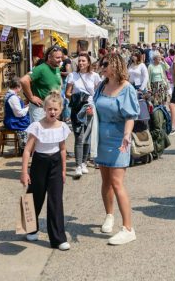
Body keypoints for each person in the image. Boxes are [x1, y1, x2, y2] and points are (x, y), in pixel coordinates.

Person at [93, 52, 139, 245]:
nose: (101, 66)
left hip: (118, 139)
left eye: (105, 64)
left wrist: (127, 135)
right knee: (105, 181)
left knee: (117, 182)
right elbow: (95, 107)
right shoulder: (102, 85)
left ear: (114, 65)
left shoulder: (126, 88)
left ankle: (128, 228)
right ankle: (109, 215)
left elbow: (131, 115)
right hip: (101, 139)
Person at [19, 93, 70, 250]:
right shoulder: (37, 126)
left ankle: (58, 238)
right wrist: (24, 171)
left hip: (55, 163)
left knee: (55, 200)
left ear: (60, 110)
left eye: (55, 109)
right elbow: (28, 150)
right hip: (39, 162)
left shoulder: (62, 127)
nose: (52, 112)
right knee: (35, 196)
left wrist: (63, 170)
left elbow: (62, 149)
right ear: (44, 109)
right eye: (49, 109)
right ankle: (30, 228)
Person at [65, 53, 101, 178]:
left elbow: (98, 93)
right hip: (77, 108)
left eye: (83, 61)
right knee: (79, 137)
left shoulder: (95, 76)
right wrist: (77, 96)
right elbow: (67, 93)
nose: (81, 63)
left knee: (87, 137)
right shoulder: (72, 75)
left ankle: (84, 162)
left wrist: (92, 101)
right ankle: (78, 165)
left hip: (90, 108)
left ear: (89, 63)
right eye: (79, 61)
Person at [20, 46, 63, 123]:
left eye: (61, 57)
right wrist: (31, 97)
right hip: (40, 109)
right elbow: (24, 80)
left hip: (51, 110)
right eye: (57, 58)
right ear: (49, 57)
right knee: (39, 134)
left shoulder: (56, 68)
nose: (60, 60)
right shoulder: (41, 69)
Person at [3, 76, 30, 151]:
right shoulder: (13, 98)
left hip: (12, 119)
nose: (21, 89)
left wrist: (25, 106)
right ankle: (25, 148)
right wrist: (28, 108)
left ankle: (27, 147)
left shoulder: (10, 95)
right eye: (21, 87)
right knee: (32, 124)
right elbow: (19, 113)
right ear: (18, 86)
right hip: (12, 121)